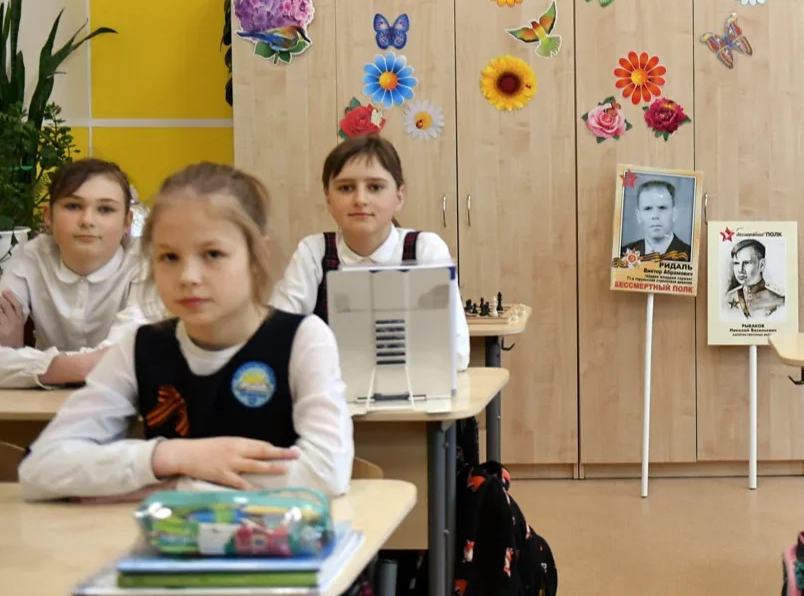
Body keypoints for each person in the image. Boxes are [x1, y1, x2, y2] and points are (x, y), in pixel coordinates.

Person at [19, 162, 354, 502]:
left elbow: (325, 472)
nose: (188, 276)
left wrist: (175, 485)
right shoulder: (140, 347)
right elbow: (39, 469)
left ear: (258, 256)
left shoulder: (302, 339)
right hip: (168, 536)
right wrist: (172, 457)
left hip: (278, 534)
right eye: (169, 257)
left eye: (213, 254)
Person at [271, 134, 469, 372]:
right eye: (346, 188)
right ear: (328, 199)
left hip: (412, 393)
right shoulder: (314, 253)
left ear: (399, 197)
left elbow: (456, 353)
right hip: (334, 394)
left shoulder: (425, 250)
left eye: (375, 187)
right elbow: (275, 339)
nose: (360, 199)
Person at [0, 159, 155, 389]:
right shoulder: (31, 257)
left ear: (127, 222)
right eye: (73, 206)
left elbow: (122, 362)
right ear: (48, 216)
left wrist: (16, 357)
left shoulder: (147, 264)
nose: (87, 221)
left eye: (105, 209)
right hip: (40, 404)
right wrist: (85, 365)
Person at [622, 179, 692, 262]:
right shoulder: (622, 255)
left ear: (674, 213)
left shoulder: (690, 255)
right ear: (638, 216)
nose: (655, 216)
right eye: (648, 208)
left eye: (662, 208)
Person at [724, 238, 785, 319]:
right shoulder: (729, 298)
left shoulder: (779, 301)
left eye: (746, 263)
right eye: (736, 263)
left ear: (761, 265)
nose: (740, 269)